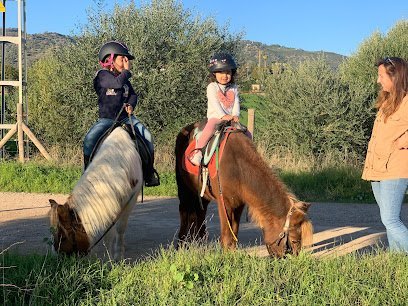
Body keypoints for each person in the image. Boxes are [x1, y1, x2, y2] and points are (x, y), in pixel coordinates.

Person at [83, 41, 160, 187]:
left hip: (126, 118)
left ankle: (149, 174)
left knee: (148, 137)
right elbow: (116, 83)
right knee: (89, 140)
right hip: (107, 119)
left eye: (127, 60)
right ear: (110, 59)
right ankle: (86, 175)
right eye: (122, 59)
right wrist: (127, 71)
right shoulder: (102, 75)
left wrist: (131, 104)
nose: (126, 62)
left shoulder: (124, 79)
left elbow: (133, 95)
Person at [362, 56, 408, 252]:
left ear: (395, 76)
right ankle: (397, 260)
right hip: (377, 168)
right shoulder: (388, 100)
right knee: (389, 219)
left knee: (389, 219)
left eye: (381, 76)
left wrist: (403, 141)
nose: (378, 80)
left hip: (395, 168)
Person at [189, 52, 240, 166]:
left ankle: (251, 154)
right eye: (220, 72)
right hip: (216, 117)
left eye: (228, 72)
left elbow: (236, 102)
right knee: (210, 128)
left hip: (230, 119)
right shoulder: (212, 87)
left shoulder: (234, 88)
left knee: (246, 132)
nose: (224, 75)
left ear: (232, 73)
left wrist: (235, 115)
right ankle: (197, 152)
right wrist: (223, 116)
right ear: (214, 74)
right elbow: (215, 103)